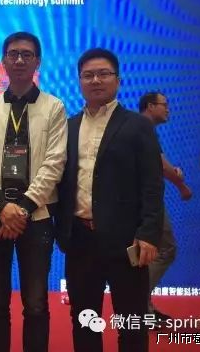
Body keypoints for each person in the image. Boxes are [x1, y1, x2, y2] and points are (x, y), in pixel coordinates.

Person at [56, 48, 164, 352]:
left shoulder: (137, 125)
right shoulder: (68, 126)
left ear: (118, 80)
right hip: (80, 240)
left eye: (103, 74)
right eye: (88, 75)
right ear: (79, 81)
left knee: (131, 323)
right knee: (84, 321)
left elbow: (152, 184)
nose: (95, 80)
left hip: (126, 240)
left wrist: (148, 233)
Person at [0, 32, 67, 352]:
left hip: (36, 217)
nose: (20, 60)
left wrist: (21, 208)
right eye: (13, 54)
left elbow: (54, 163)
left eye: (27, 54)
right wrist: (2, 206)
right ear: (3, 62)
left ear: (38, 61)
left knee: (36, 303)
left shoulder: (54, 107)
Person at [138, 91, 192, 322]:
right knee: (165, 249)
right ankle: (138, 301)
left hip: (137, 201)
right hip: (145, 202)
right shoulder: (143, 127)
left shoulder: (140, 127)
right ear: (150, 106)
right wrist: (181, 185)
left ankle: (144, 307)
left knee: (144, 254)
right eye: (164, 105)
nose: (168, 109)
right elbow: (160, 164)